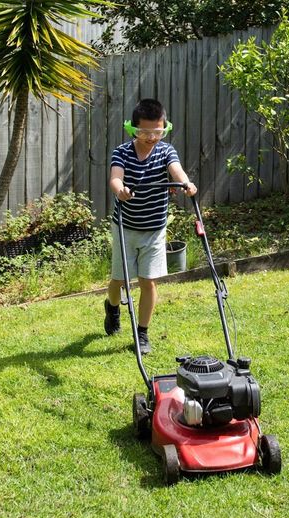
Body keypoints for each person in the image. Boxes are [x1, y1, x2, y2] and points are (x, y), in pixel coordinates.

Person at [103, 98, 197, 354]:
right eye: (145, 132)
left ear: (164, 128)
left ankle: (141, 334)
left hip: (155, 229)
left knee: (148, 282)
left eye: (157, 132)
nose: (151, 137)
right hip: (126, 226)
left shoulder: (166, 151)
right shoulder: (121, 152)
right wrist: (120, 190)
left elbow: (176, 170)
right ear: (133, 129)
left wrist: (186, 183)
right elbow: (115, 177)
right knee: (119, 279)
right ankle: (112, 307)